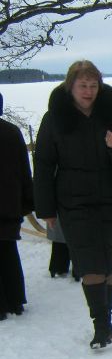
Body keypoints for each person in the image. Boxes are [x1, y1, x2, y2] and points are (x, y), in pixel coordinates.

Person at [33, 60, 112, 349]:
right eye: (82, 85)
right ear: (70, 86)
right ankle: (101, 326)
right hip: (74, 203)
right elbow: (43, 164)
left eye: (93, 85)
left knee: (109, 265)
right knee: (90, 264)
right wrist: (46, 209)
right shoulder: (55, 117)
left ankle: (106, 321)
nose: (88, 91)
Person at [0, 92, 34, 321]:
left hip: (8, 200)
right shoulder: (12, 132)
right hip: (9, 202)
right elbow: (24, 170)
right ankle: (15, 299)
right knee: (8, 250)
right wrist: (26, 201)